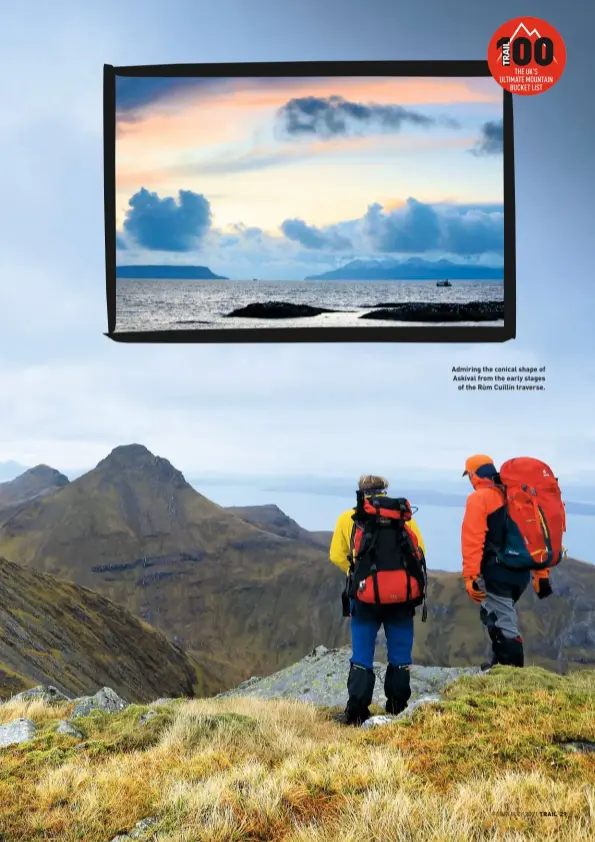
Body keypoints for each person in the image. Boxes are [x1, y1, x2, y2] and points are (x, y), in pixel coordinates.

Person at [329, 474, 427, 725]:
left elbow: (336, 555)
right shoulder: (404, 517)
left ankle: (357, 712)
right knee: (400, 653)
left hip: (365, 598)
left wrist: (356, 573)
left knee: (362, 654)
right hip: (401, 599)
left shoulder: (347, 518)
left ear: (361, 492)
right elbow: (420, 553)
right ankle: (397, 707)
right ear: (385, 490)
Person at [461, 454, 553, 669]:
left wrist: (470, 576)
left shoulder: (480, 498)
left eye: (470, 475)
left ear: (474, 475)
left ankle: (511, 673)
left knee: (503, 623)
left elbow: (473, 538)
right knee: (496, 614)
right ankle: (499, 664)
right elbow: (536, 536)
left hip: (497, 572)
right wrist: (542, 574)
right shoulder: (514, 495)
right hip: (520, 572)